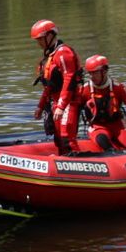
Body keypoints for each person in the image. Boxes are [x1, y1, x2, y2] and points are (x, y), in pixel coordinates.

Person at [77, 54, 126, 151]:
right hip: (98, 127)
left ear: (104, 71)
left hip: (117, 126)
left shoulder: (118, 88)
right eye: (90, 73)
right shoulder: (85, 90)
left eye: (95, 73)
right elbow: (74, 110)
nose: (92, 77)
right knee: (103, 141)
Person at [31, 18, 81, 155]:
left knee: (66, 137)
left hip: (68, 101)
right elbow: (49, 86)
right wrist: (41, 106)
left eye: (40, 39)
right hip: (56, 101)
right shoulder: (50, 56)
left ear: (50, 36)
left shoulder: (63, 53)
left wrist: (61, 105)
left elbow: (69, 79)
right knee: (59, 139)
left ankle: (79, 165)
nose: (39, 43)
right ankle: (64, 165)